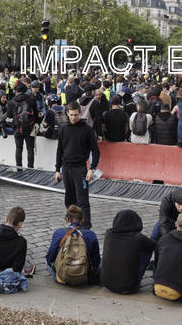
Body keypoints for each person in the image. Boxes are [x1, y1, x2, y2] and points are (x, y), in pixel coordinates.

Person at [55, 100, 100, 228]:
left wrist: (92, 168)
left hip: (81, 169)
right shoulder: (63, 129)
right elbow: (59, 150)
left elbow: (95, 151)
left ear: (80, 113)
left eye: (76, 115)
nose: (74, 117)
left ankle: (85, 226)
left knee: (83, 200)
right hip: (66, 168)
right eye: (71, 115)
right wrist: (57, 169)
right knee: (69, 199)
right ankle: (72, 223)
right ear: (67, 114)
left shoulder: (87, 130)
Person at [100, 209, 156, 294]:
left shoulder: (108, 233)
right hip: (128, 287)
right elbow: (154, 244)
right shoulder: (138, 238)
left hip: (107, 284)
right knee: (147, 250)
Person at [45, 204, 101, 285]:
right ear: (81, 220)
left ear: (67, 219)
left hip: (62, 277)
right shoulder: (90, 234)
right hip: (83, 278)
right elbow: (96, 261)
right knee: (101, 261)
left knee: (46, 261)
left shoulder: (59, 233)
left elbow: (50, 258)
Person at [8, 82, 37, 169]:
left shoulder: (12, 101)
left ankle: (19, 168)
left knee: (19, 148)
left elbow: (9, 115)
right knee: (30, 149)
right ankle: (30, 168)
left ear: (16, 91)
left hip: (17, 128)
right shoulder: (31, 99)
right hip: (29, 127)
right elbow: (35, 112)